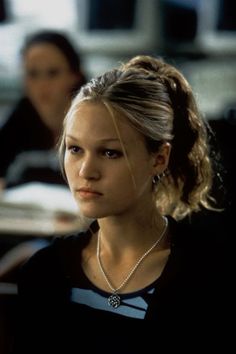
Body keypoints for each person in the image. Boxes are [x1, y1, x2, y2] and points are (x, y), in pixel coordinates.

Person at [12, 55, 229, 353]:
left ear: (158, 158)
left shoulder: (209, 275)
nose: (86, 171)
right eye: (75, 149)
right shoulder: (44, 272)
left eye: (110, 153)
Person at [0, 29, 87, 189]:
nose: (42, 85)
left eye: (52, 73)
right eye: (33, 74)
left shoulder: (95, 118)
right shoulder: (21, 116)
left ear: (75, 76)